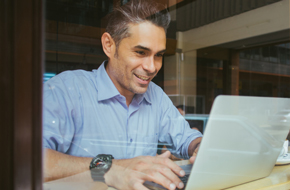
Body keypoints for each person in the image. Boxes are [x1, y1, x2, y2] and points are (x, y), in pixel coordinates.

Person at [42, 1, 202, 189]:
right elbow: (28, 158)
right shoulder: (67, 89)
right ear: (109, 45)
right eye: (140, 52)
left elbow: (185, 138)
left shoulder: (156, 96)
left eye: (158, 55)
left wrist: (199, 147)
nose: (152, 67)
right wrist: (109, 168)